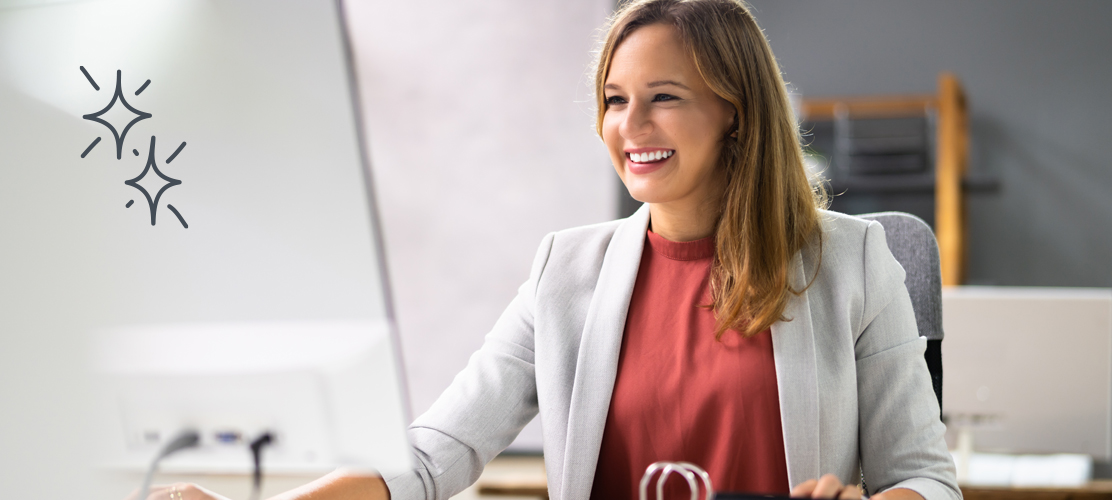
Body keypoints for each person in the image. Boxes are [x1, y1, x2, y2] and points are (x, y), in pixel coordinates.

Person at [142, 0, 958, 499]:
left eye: (662, 100)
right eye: (613, 100)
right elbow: (434, 457)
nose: (628, 128)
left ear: (735, 112)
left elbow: (926, 479)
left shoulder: (853, 263)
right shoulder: (565, 269)